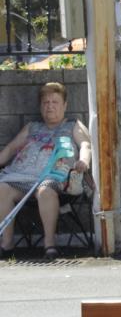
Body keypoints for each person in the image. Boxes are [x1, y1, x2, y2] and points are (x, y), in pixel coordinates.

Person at [0, 82, 91, 259]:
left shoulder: (73, 125)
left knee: (45, 190)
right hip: (24, 176)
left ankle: (50, 244)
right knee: (2, 189)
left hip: (57, 177)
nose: (49, 106)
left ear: (65, 105)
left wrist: (83, 160)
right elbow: (11, 149)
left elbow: (85, 145)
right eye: (45, 102)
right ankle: (7, 243)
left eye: (54, 102)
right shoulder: (32, 126)